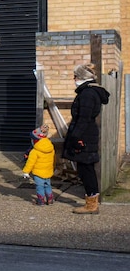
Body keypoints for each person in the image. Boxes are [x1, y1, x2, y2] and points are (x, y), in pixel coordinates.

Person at [63, 63, 110, 215]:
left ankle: (92, 204)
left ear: (82, 78)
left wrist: (76, 137)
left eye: (75, 76)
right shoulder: (88, 92)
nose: (74, 79)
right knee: (85, 168)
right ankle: (91, 201)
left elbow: (83, 118)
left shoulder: (87, 94)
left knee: (86, 169)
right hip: (87, 133)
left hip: (85, 135)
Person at [22, 126, 54, 206]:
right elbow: (53, 160)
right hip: (48, 171)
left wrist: (26, 172)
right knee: (48, 186)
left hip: (38, 173)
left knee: (40, 187)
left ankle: (41, 201)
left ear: (35, 140)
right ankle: (50, 200)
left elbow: (30, 163)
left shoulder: (34, 151)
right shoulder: (51, 149)